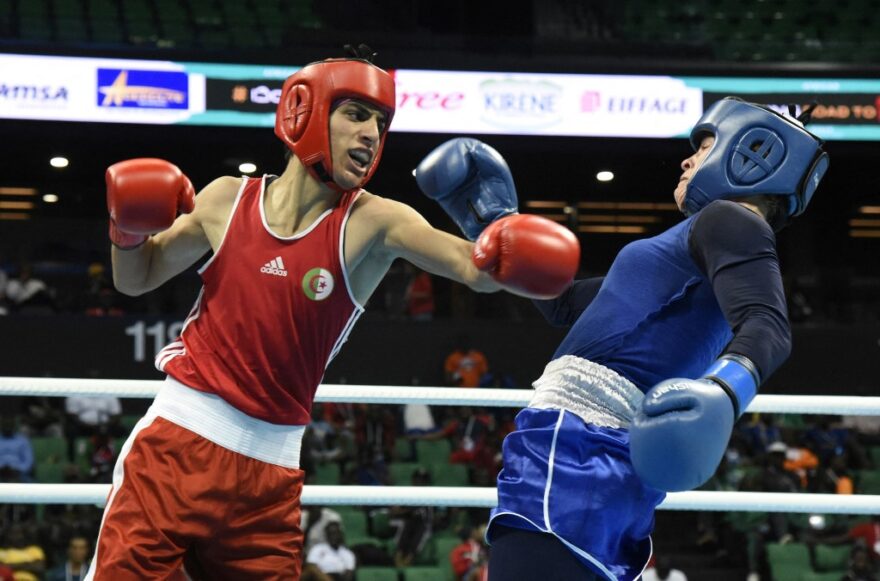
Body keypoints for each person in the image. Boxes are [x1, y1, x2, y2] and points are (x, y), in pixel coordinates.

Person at [87, 45, 579, 579]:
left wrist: (497, 225)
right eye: (356, 114)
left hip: (270, 474)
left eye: (381, 123)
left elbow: (475, 270)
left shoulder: (375, 221)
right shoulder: (226, 199)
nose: (371, 134)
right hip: (177, 445)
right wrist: (126, 232)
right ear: (304, 112)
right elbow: (135, 278)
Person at [414, 97, 829, 580]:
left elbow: (768, 324)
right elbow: (566, 305)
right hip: (595, 451)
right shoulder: (699, 242)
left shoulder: (729, 220)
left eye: (703, 147)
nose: (687, 160)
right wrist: (496, 223)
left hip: (580, 444)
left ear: (751, 155)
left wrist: (724, 391)